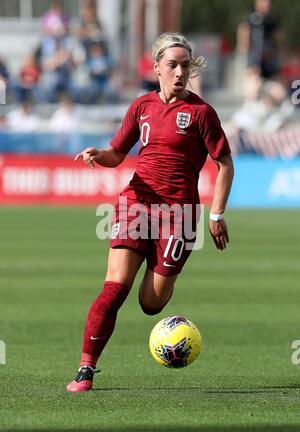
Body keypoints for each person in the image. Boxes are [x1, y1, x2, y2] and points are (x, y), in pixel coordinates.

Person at [67, 32, 234, 393]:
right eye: (172, 65)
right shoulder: (141, 107)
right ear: (156, 67)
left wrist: (216, 215)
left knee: (150, 303)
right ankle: (85, 369)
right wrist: (99, 154)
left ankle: (161, 277)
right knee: (114, 289)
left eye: (185, 66)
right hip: (136, 204)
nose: (179, 72)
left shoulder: (202, 113)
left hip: (180, 217)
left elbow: (225, 164)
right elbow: (117, 154)